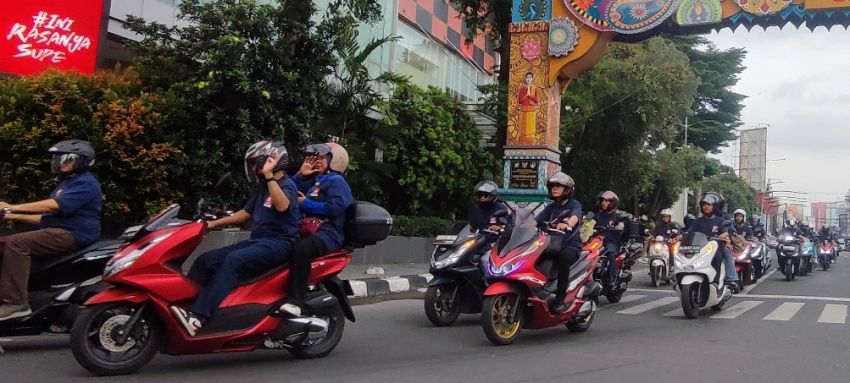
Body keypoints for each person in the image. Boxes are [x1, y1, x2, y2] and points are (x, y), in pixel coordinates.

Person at [172, 140, 299, 336]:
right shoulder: (264, 188)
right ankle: (186, 307)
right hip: (259, 241)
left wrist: (268, 175)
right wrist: (211, 225)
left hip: (279, 244)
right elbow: (246, 213)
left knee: (234, 260)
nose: (254, 168)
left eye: (257, 163)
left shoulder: (286, 185)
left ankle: (199, 316)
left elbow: (282, 206)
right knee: (205, 260)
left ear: (272, 161)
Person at [0, 140, 102, 321]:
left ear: (82, 161)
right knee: (5, 244)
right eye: (59, 158)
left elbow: (52, 207)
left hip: (73, 235)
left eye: (67, 159)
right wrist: (10, 216)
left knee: (16, 244)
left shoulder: (85, 183)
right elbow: (45, 219)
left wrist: (13, 207)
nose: (61, 162)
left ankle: (16, 304)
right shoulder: (68, 183)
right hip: (58, 230)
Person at [278, 143, 354, 317]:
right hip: (307, 231)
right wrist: (299, 175)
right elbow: (287, 193)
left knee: (302, 249)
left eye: (322, 158)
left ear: (333, 161)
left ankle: (295, 301)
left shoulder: (337, 182)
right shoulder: (314, 181)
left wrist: (306, 204)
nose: (317, 161)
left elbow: (336, 208)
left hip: (328, 235)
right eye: (315, 158)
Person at [535, 172, 582, 314]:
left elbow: (575, 217)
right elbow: (535, 220)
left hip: (570, 245)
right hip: (550, 244)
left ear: (567, 189)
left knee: (563, 258)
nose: (554, 189)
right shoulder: (551, 207)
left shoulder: (574, 204)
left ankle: (560, 299)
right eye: (552, 186)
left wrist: (568, 223)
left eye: (558, 186)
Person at [686, 192, 740, 293]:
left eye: (708, 205)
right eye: (704, 205)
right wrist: (679, 237)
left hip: (716, 248)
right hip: (700, 248)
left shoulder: (721, 220)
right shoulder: (697, 221)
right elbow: (689, 232)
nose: (705, 207)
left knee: (727, 251)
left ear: (714, 206)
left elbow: (727, 232)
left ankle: (732, 279)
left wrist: (725, 235)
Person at [465, 180, 513, 262]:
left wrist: (499, 227)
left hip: (496, 242)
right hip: (480, 241)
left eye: (486, 195)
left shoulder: (500, 208)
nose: (482, 198)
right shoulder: (476, 209)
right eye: (480, 195)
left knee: (485, 260)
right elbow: (472, 228)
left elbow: (509, 226)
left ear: (493, 196)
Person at [595, 191, 624, 285]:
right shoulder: (597, 215)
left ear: (613, 202)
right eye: (603, 200)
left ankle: (610, 278)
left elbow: (622, 226)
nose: (604, 202)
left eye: (607, 201)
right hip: (597, 241)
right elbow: (589, 224)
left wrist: (618, 226)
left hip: (611, 242)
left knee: (609, 253)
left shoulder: (617, 216)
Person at [518, 71, 540, 145]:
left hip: (531, 110)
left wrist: (530, 95)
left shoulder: (535, 88)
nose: (528, 79)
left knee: (530, 127)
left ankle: (531, 142)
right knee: (523, 127)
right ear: (525, 78)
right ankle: (522, 142)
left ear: (532, 79)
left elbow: (537, 100)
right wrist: (526, 96)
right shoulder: (522, 89)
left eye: (530, 77)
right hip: (524, 109)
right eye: (527, 77)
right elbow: (520, 101)